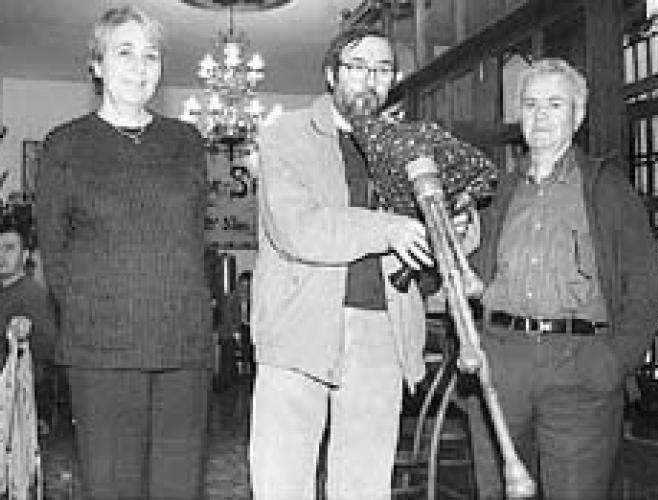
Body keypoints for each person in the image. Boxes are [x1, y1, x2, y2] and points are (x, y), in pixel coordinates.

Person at [467, 58, 658, 499]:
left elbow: (649, 287)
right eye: (531, 104)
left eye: (555, 104)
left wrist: (613, 361)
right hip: (502, 363)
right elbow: (473, 279)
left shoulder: (606, 188)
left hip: (580, 366)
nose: (540, 116)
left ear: (578, 116)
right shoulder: (495, 192)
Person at [249, 26, 436, 500]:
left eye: (382, 69)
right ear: (331, 74)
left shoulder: (406, 143)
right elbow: (298, 228)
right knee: (281, 481)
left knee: (364, 485)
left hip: (382, 331)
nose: (370, 79)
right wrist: (388, 228)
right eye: (357, 67)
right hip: (298, 328)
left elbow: (441, 235)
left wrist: (454, 220)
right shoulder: (285, 134)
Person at [35, 6, 211, 499]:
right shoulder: (64, 145)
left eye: (151, 56)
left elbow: (189, 241)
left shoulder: (187, 142)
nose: (139, 67)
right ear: (97, 65)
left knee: (179, 490)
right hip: (102, 352)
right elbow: (55, 255)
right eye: (125, 53)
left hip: (184, 349)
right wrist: (98, 316)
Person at [0, 211, 56, 389]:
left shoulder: (32, 295)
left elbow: (46, 353)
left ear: (25, 256)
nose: (1, 256)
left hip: (17, 392)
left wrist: (25, 337)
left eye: (9, 248)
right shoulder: (6, 290)